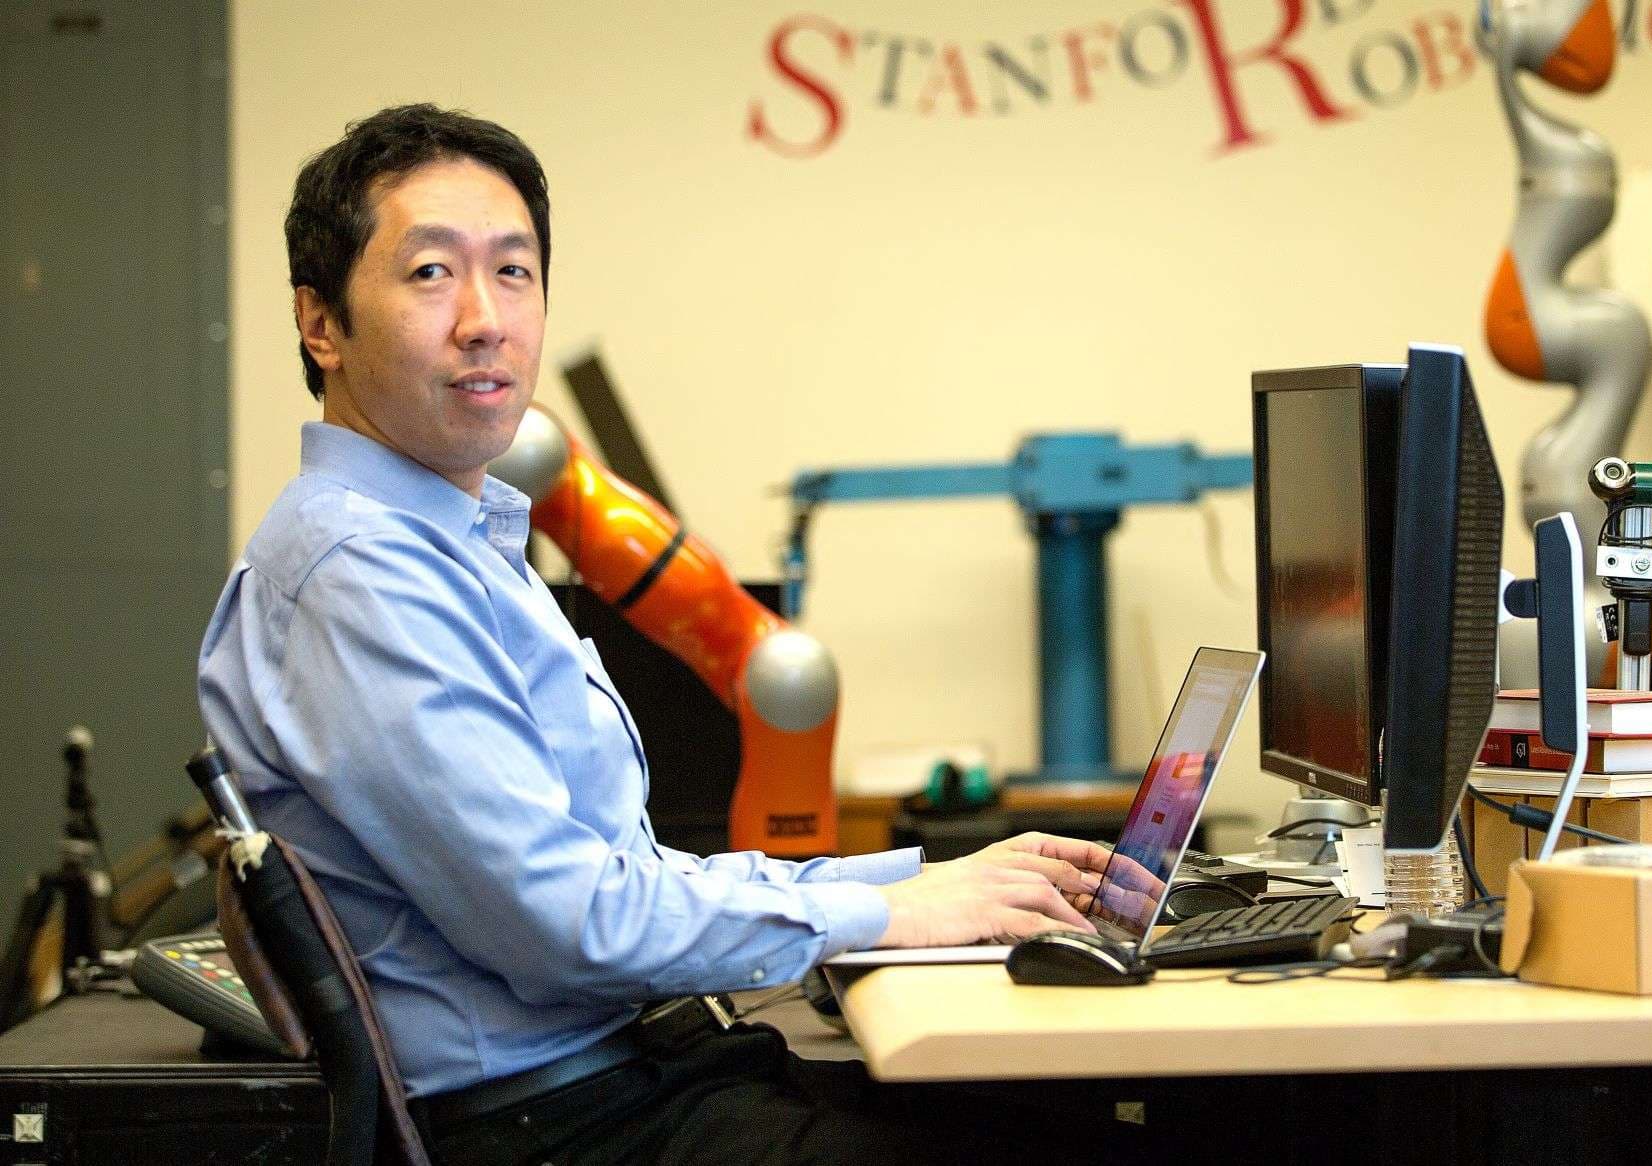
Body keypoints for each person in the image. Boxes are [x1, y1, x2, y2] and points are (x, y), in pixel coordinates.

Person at [198, 104, 1138, 1165]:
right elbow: (572, 922)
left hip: (633, 1077)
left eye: (513, 271)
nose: (485, 318)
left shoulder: (449, 540)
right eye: (430, 273)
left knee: (1087, 1117)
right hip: (568, 1125)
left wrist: (924, 884)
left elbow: (623, 875)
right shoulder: (362, 572)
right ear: (320, 322)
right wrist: (897, 914)